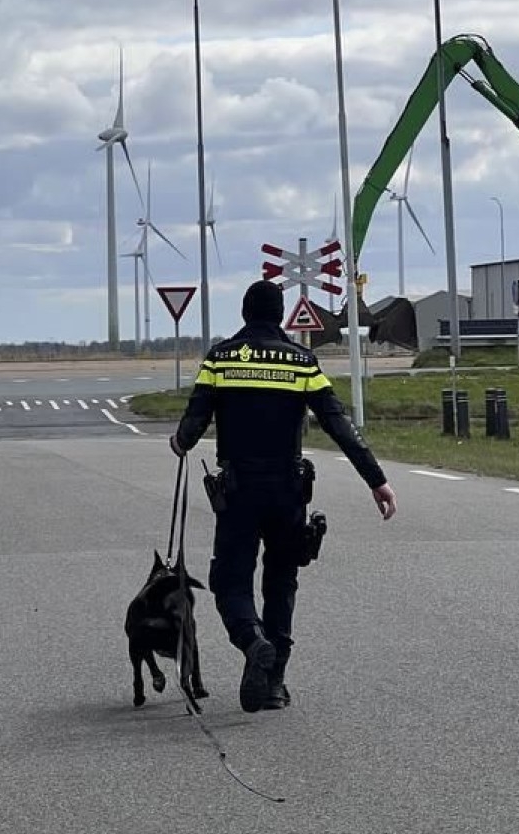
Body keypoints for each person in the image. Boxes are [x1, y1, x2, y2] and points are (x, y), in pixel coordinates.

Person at [170, 280, 397, 713]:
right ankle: (274, 682)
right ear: (279, 316)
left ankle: (253, 641)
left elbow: (193, 423)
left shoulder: (219, 359)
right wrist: (376, 480)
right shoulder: (301, 362)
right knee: (281, 581)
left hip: (238, 492)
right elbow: (338, 423)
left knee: (230, 581)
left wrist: (180, 442)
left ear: (243, 312)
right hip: (288, 492)